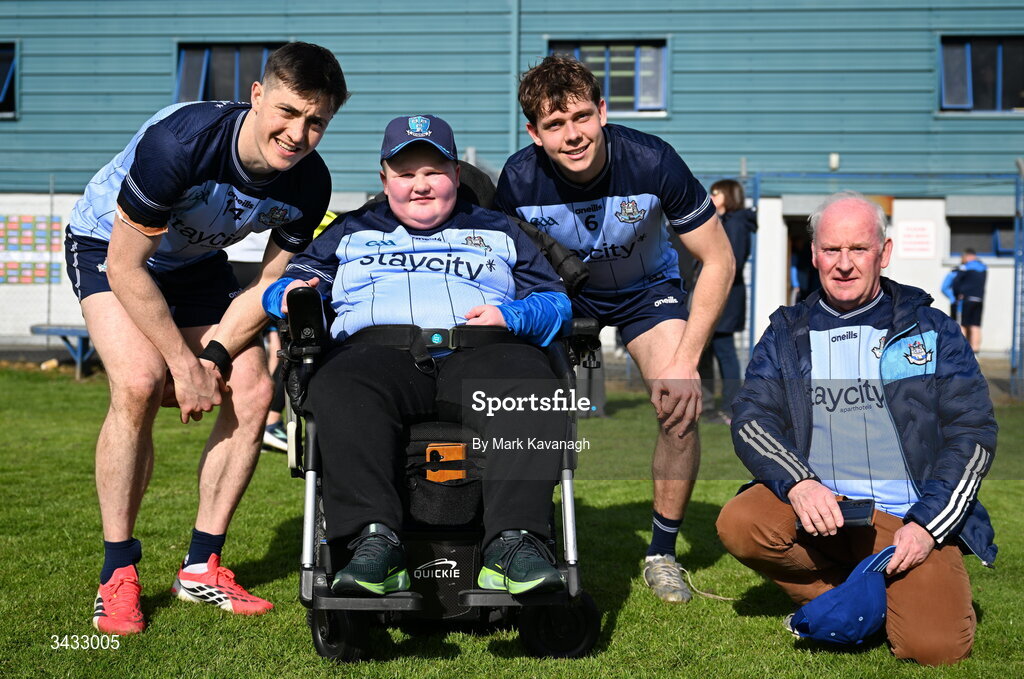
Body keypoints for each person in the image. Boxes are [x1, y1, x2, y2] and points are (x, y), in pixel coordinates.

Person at [63, 42, 349, 635]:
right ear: (258, 96)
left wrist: (215, 356)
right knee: (140, 382)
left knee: (250, 388)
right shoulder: (182, 143)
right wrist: (182, 365)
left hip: (194, 264)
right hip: (109, 249)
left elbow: (269, 282)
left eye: (316, 120)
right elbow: (125, 267)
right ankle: (117, 573)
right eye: (289, 112)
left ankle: (201, 566)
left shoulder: (309, 184)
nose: (298, 133)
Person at [262, 114, 572, 597]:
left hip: (484, 351)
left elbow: (557, 303)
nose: (420, 185)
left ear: (454, 173)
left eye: (433, 172)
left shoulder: (501, 229)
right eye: (406, 174)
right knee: (340, 384)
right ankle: (372, 545)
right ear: (385, 178)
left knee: (533, 386)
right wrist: (287, 295)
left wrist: (511, 317)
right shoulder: (349, 231)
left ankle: (514, 544)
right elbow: (284, 287)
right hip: (375, 357)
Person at [715, 191, 997, 666]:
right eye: (831, 250)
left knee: (935, 649)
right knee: (742, 522)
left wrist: (927, 526)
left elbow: (973, 433)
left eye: (859, 249)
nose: (844, 264)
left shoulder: (932, 330)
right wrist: (801, 484)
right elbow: (752, 418)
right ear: (814, 254)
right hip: (824, 512)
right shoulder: (787, 332)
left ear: (883, 254)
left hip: (907, 520)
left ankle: (870, 596)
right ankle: (840, 598)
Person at [494, 55, 735, 602]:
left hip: (646, 294)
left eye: (581, 116)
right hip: (561, 294)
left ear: (602, 111)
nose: (572, 134)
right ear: (534, 133)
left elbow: (718, 259)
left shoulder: (653, 161)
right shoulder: (518, 177)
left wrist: (685, 359)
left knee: (679, 404)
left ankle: (662, 553)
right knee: (515, 401)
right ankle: (523, 534)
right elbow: (504, 269)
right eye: (554, 125)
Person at [701, 179, 757, 425]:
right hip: (718, 294)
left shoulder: (735, 224)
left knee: (725, 352)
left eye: (716, 193)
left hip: (726, 296)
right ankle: (709, 406)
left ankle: (730, 408)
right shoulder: (725, 222)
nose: (711, 196)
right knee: (709, 352)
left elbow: (731, 262)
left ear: (728, 196)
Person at [952, 248, 987, 353]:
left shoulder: (964, 267)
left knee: (963, 324)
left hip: (967, 299)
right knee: (975, 325)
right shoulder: (983, 268)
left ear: (967, 256)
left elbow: (956, 283)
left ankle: (962, 349)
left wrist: (957, 294)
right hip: (979, 299)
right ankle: (976, 351)